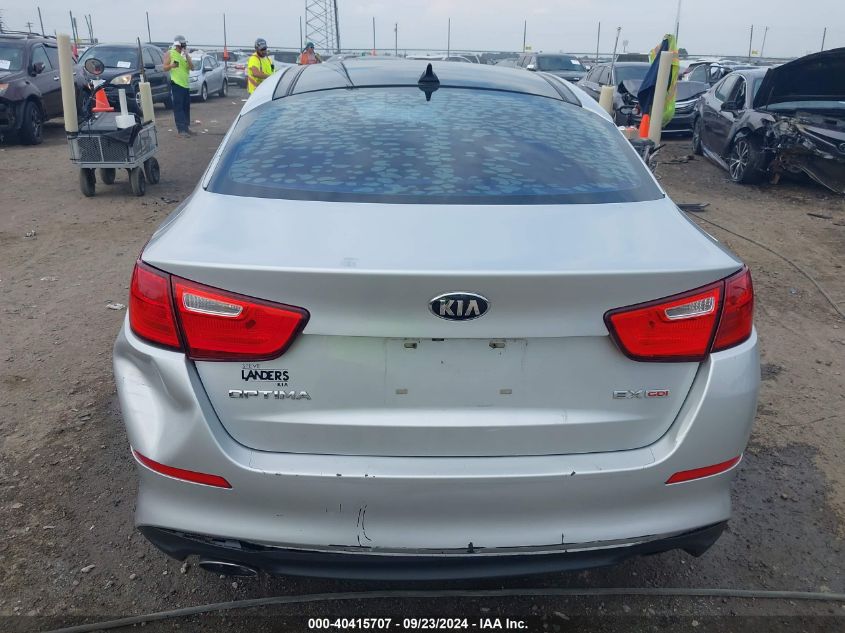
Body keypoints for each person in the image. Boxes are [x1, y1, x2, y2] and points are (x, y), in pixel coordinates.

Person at [163, 35, 192, 137]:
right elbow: (164, 68)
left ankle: (186, 127)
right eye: (182, 44)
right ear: (178, 44)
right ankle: (181, 129)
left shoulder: (184, 55)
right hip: (177, 84)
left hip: (185, 84)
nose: (184, 46)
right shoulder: (170, 53)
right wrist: (171, 65)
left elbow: (192, 67)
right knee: (178, 107)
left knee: (186, 107)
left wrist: (187, 55)